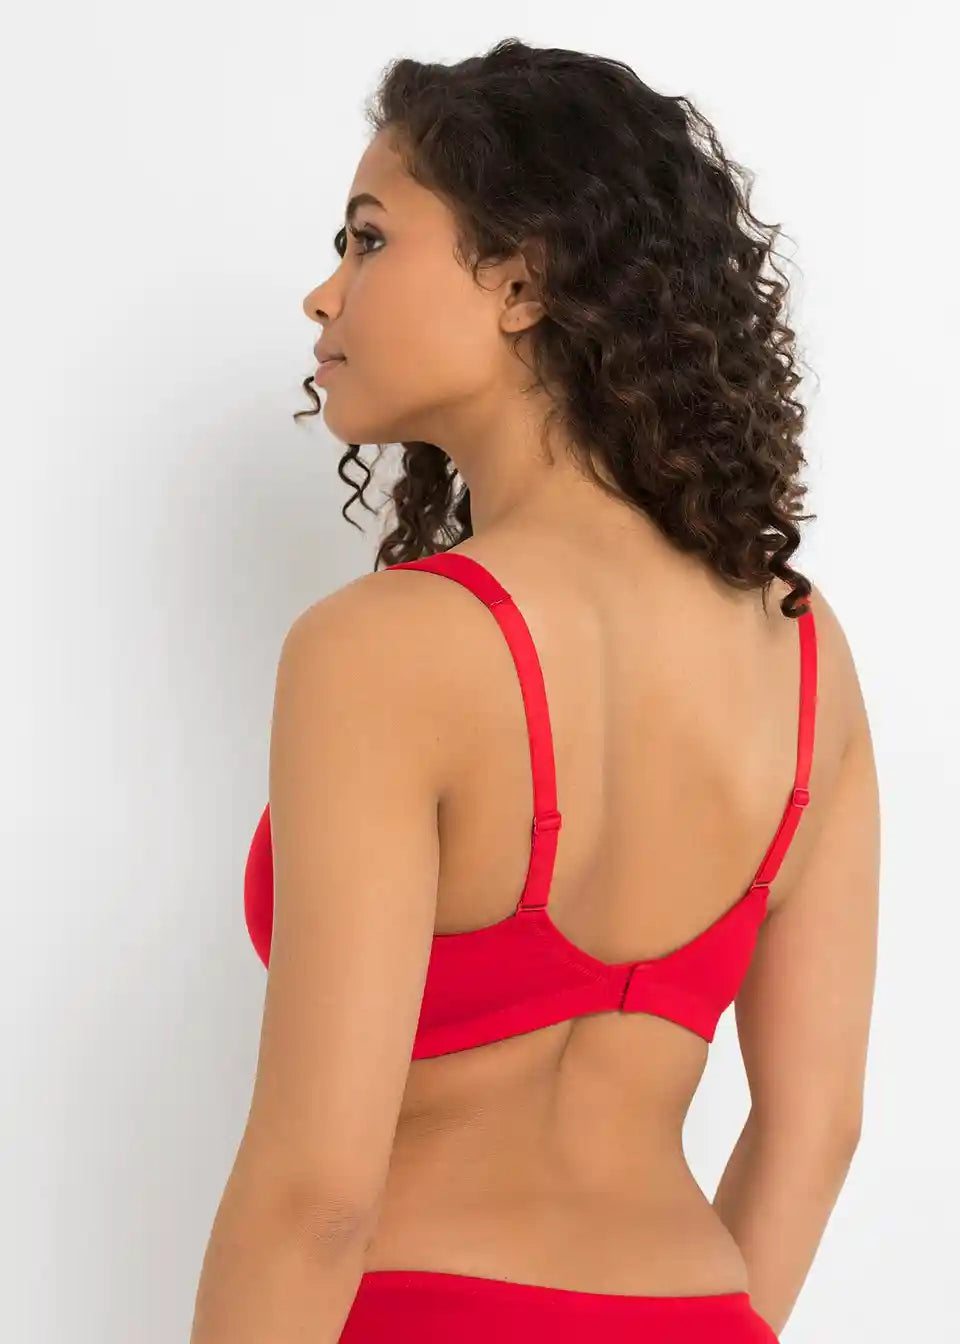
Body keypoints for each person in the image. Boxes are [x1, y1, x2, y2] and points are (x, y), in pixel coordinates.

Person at [190, 37, 879, 1344]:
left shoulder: (384, 649)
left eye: (369, 240)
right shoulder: (802, 649)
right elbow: (818, 1124)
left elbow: (314, 1198)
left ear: (520, 282)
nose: (325, 294)